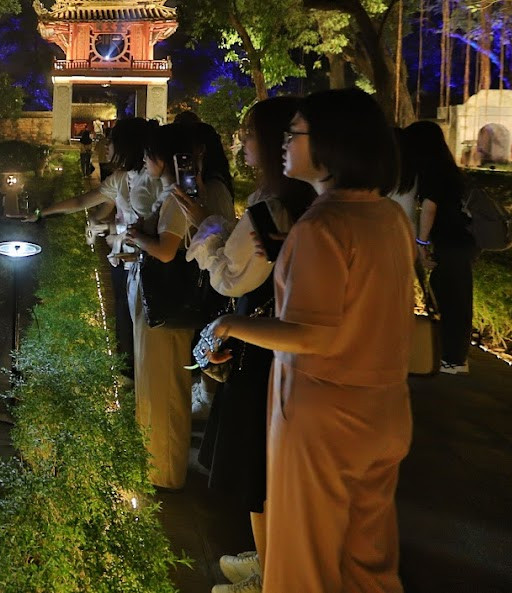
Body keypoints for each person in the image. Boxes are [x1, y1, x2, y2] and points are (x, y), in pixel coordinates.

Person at [205, 88, 414, 593]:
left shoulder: (323, 224)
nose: (284, 143)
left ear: (331, 144)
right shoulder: (388, 217)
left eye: (295, 133)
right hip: (384, 410)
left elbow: (314, 334)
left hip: (323, 417)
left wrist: (229, 326)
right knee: (367, 557)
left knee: (305, 559)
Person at [180, 97, 315, 593]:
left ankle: (268, 575)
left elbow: (230, 278)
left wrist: (205, 228)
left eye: (251, 132)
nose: (244, 141)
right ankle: (267, 562)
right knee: (265, 470)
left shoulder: (272, 207)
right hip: (276, 345)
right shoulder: (297, 202)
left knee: (256, 472)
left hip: (265, 348)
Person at [125, 122, 234, 489]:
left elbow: (167, 251)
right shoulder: (184, 193)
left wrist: (139, 236)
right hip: (169, 303)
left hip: (166, 303)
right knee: (162, 384)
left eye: (147, 154)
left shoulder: (178, 198)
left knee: (164, 387)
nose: (143, 160)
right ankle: (157, 465)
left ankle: (164, 473)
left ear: (161, 157)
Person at [28, 118, 159, 372]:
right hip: (122, 258)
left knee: (146, 321)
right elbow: (81, 202)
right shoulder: (120, 179)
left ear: (126, 145)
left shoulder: (154, 181)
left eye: (111, 142)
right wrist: (41, 212)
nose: (106, 147)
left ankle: (141, 371)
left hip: (149, 261)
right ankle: (128, 371)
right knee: (124, 314)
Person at [402, 120, 477, 374]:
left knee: (449, 299)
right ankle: (455, 357)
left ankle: (451, 358)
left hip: (451, 243)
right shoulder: (449, 169)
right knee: (458, 300)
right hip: (463, 242)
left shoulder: (433, 171)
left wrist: (421, 243)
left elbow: (430, 209)